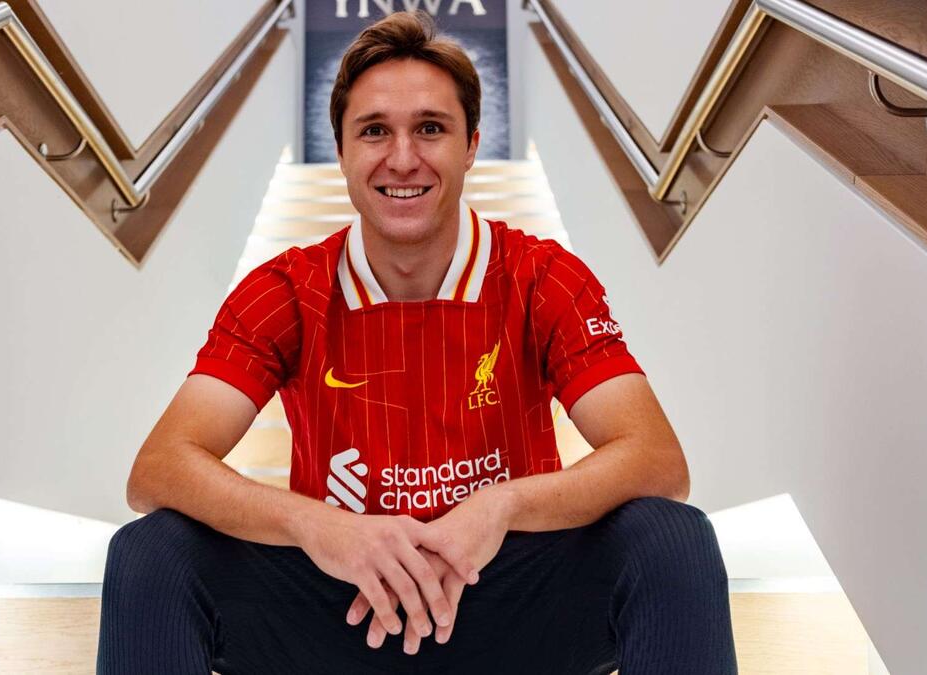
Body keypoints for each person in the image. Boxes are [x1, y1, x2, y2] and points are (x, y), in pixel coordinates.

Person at [97, 10, 736, 675]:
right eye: (374, 130)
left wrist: (502, 505)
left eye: (431, 128)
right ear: (341, 151)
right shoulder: (285, 290)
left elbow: (656, 458)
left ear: (471, 145)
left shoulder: (542, 277)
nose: (402, 158)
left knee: (671, 538)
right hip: (339, 605)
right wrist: (315, 524)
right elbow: (160, 467)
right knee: (151, 549)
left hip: (511, 602)